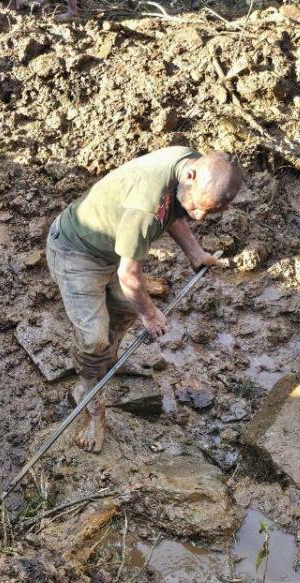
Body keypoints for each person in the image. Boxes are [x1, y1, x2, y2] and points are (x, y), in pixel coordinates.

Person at [46, 147, 243, 453]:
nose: (200, 216)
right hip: (76, 252)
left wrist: (195, 252)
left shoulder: (186, 168)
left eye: (210, 211)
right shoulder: (147, 205)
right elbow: (130, 275)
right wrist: (150, 315)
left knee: (125, 309)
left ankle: (106, 362)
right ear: (190, 177)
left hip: (111, 248)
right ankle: (91, 403)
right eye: (198, 207)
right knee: (93, 337)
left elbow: (172, 213)